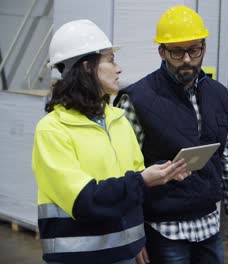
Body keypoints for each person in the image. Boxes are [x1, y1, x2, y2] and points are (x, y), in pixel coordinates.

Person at [32, 19, 191, 264]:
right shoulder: (53, 129)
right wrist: (142, 180)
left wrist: (162, 172)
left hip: (125, 252)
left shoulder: (117, 120)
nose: (119, 69)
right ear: (86, 67)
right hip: (78, 257)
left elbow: (134, 180)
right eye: (110, 60)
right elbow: (85, 200)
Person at [114, 5, 228, 264]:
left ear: (203, 49)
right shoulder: (137, 98)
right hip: (163, 230)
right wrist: (131, 231)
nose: (187, 59)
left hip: (209, 225)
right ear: (162, 51)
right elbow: (122, 171)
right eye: (177, 51)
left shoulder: (218, 95)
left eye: (194, 50)